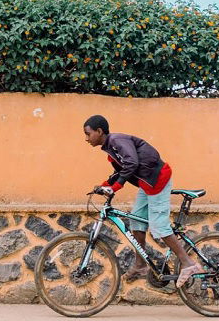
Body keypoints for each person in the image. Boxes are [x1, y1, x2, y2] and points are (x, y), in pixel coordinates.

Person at [84, 115, 202, 288]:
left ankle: (188, 264)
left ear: (99, 131)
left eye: (88, 134)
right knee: (136, 220)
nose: (86, 139)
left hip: (158, 181)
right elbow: (122, 170)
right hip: (147, 185)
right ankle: (140, 265)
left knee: (159, 227)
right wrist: (104, 186)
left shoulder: (117, 141)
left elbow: (131, 163)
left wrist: (115, 187)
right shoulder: (111, 148)